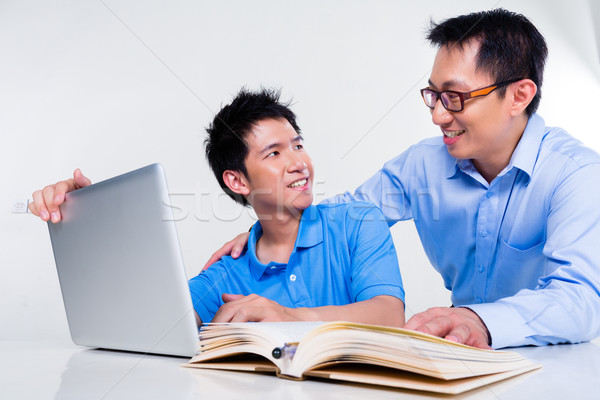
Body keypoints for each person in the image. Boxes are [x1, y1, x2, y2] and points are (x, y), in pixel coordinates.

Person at [205, 9, 600, 349]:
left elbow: (580, 300)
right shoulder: (423, 165)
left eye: (455, 97)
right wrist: (270, 227)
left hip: (552, 363)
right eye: (434, 95)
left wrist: (481, 321)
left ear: (519, 96)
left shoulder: (575, 175)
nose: (438, 116)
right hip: (460, 356)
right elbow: (346, 216)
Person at [29, 88, 406, 327]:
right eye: (274, 153)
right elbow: (151, 323)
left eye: (297, 144)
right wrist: (88, 216)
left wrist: (287, 317)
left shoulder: (358, 223)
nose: (297, 162)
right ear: (237, 181)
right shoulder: (225, 275)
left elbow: (389, 314)